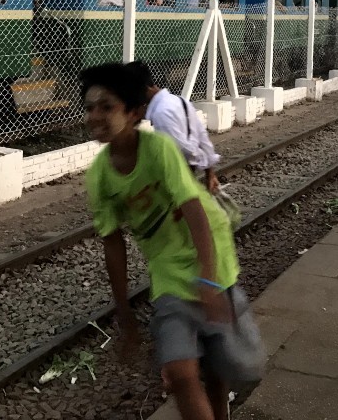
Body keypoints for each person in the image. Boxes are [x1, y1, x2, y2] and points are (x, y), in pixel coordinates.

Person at [81, 62, 263, 420]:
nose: (95, 116)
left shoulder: (159, 149)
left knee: (222, 368)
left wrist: (209, 280)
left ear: (133, 113)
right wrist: (123, 314)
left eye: (106, 107)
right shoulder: (99, 176)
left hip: (208, 251)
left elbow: (194, 209)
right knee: (180, 373)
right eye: (89, 108)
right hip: (166, 269)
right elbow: (113, 245)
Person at [128, 61, 221, 193]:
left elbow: (181, 150)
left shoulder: (161, 113)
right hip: (185, 176)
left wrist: (201, 161)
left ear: (142, 89)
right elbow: (202, 136)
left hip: (176, 180)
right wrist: (209, 173)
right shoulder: (179, 100)